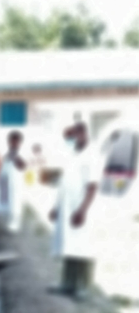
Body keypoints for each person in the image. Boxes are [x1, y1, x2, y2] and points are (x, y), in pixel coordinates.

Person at [50, 121, 102, 298]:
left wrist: (82, 210)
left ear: (83, 133)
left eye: (72, 136)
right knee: (69, 245)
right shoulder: (72, 154)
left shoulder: (92, 155)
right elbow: (64, 183)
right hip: (68, 205)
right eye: (68, 138)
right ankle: (67, 283)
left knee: (84, 248)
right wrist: (56, 207)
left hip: (83, 207)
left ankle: (83, 287)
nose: (71, 140)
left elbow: (93, 186)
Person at [0, 129, 26, 232]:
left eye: (16, 141)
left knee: (15, 202)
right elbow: (3, 167)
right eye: (12, 140)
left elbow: (23, 166)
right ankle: (4, 225)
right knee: (4, 203)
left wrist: (16, 157)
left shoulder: (20, 154)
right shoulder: (7, 154)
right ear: (8, 141)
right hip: (5, 181)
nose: (14, 143)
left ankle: (14, 224)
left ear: (20, 142)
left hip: (15, 183)